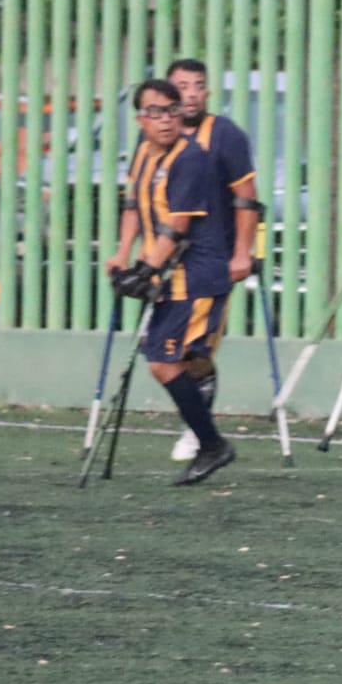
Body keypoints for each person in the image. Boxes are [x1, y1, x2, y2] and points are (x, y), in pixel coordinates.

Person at [106, 79, 236, 486]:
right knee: (165, 358)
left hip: (196, 276)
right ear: (140, 118)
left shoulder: (191, 159)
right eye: (155, 112)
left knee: (163, 361)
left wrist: (145, 270)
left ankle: (211, 443)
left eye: (172, 111)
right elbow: (133, 205)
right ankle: (208, 426)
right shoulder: (144, 153)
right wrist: (123, 253)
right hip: (172, 272)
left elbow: (178, 225)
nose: (164, 120)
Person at [161, 58, 260, 462]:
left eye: (197, 86)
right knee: (163, 352)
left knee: (194, 349)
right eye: (181, 86)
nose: (189, 93)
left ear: (206, 93)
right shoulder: (159, 137)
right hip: (170, 259)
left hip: (211, 259)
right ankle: (201, 427)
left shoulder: (225, 135)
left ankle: (199, 432)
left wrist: (242, 253)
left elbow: (247, 197)